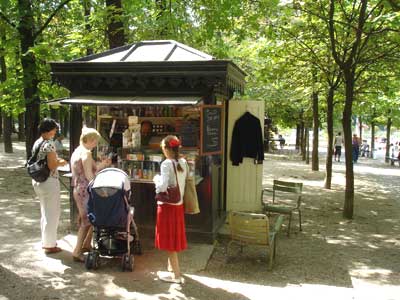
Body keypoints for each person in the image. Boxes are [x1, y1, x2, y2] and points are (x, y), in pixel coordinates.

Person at [70, 127, 111, 262]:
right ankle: (77, 251)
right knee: (87, 221)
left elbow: (92, 168)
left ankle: (86, 244)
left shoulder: (78, 151)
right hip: (85, 190)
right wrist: (102, 189)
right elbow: (89, 176)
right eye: (95, 142)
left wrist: (103, 164)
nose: (96, 144)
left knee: (86, 219)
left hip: (77, 188)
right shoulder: (87, 154)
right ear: (91, 140)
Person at [153, 135, 188, 284]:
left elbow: (162, 186)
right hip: (178, 204)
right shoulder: (183, 162)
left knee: (169, 240)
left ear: (167, 149)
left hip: (167, 206)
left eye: (163, 148)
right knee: (174, 237)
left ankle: (176, 276)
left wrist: (156, 179)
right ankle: (172, 268)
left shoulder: (166, 164)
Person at [31, 118, 68, 254]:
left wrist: (55, 161)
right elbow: (52, 165)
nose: (56, 131)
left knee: (45, 212)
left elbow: (44, 161)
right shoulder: (49, 144)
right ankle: (50, 244)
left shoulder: (38, 142)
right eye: (55, 129)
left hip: (38, 181)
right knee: (52, 213)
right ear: (50, 130)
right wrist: (61, 162)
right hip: (49, 180)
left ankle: (46, 241)